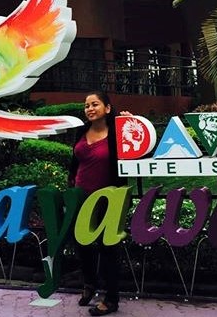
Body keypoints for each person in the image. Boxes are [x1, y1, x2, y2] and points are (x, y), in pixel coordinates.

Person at [68, 90, 130, 316]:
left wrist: (131, 124)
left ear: (107, 108)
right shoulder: (81, 131)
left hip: (108, 199)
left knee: (108, 248)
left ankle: (111, 299)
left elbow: (140, 146)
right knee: (82, 244)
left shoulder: (117, 132)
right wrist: (71, 186)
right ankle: (89, 284)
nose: (90, 109)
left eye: (95, 104)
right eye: (87, 106)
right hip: (81, 197)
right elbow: (75, 162)